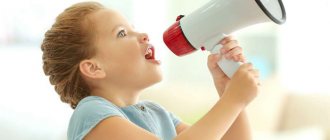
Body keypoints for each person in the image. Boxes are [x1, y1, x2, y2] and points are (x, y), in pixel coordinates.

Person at [41, 2, 260, 140]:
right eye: (122, 33)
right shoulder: (91, 113)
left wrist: (226, 88)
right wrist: (233, 100)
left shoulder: (157, 113)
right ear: (93, 67)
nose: (144, 35)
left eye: (134, 28)